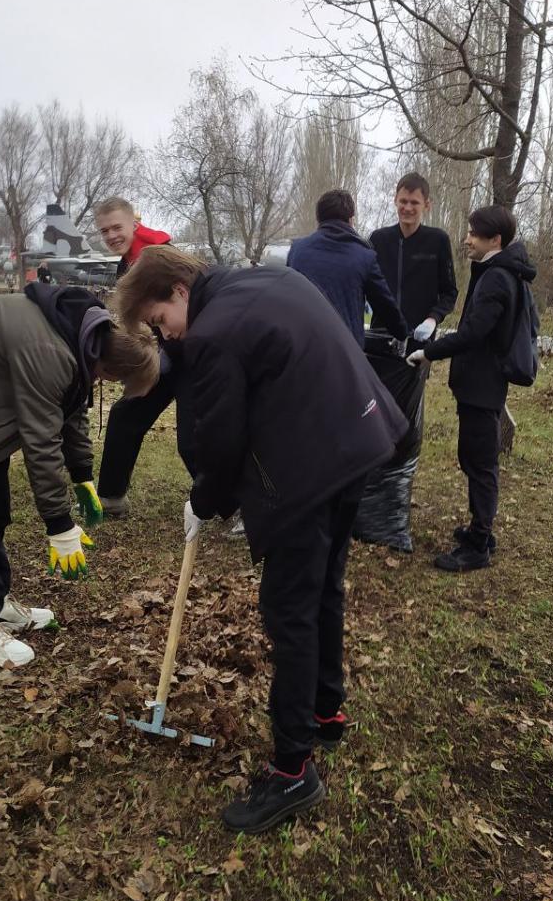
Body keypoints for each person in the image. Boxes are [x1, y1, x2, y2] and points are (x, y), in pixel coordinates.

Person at [114, 246, 408, 834]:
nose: (165, 337)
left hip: (316, 465)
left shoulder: (215, 331)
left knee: (289, 610)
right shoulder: (270, 279)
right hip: (360, 440)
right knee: (324, 588)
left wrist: (205, 501)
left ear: (178, 291)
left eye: (158, 322)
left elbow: (222, 439)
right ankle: (327, 710)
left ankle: (293, 770)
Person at [0, 285, 159, 669]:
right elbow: (42, 440)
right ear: (110, 368)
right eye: (115, 381)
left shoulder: (80, 339)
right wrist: (59, 524)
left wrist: (82, 476)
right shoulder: (52, 351)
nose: (106, 385)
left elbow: (70, 408)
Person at [408, 205, 536, 573]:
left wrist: (429, 352)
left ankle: (479, 543)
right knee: (475, 458)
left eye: (472, 234)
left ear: (494, 239)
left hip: (482, 385)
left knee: (480, 464)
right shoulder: (499, 271)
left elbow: (474, 333)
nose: (466, 240)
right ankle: (480, 530)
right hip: (481, 384)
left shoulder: (497, 277)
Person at [94, 196, 172, 516]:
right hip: (161, 353)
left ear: (134, 224)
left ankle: (237, 505)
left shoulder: (156, 257)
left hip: (185, 350)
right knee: (126, 415)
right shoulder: (127, 260)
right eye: (104, 231)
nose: (111, 235)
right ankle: (111, 498)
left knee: (200, 435)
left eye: (116, 227)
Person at [287, 188, 408, 346]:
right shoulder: (364, 256)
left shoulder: (297, 250)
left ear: (319, 219)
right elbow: (385, 305)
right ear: (351, 219)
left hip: (300, 347)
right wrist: (402, 332)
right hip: (344, 352)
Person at [369, 172, 458, 341]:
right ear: (395, 200)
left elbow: (449, 292)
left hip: (420, 337)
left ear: (427, 205)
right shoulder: (378, 239)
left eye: (414, 202)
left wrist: (433, 319)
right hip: (381, 334)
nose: (408, 208)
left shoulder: (438, 240)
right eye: (403, 201)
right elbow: (366, 285)